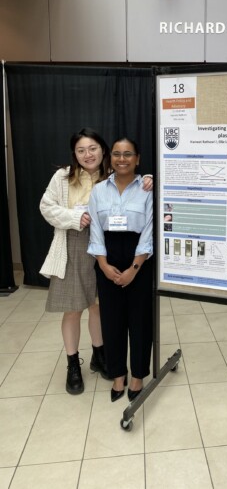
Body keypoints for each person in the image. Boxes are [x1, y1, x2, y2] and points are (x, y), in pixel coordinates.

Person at [39, 128, 152, 395]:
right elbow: (46, 207)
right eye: (81, 150)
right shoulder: (63, 176)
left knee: (100, 308)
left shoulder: (112, 173)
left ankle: (100, 355)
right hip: (75, 244)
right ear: (74, 154)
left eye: (92, 149)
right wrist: (73, 217)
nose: (87, 154)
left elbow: (136, 183)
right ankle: (73, 364)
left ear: (103, 151)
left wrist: (149, 179)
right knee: (73, 308)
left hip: (110, 247)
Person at [88, 137, 153, 402]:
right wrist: (103, 265)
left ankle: (137, 375)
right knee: (112, 321)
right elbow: (95, 230)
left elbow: (149, 231)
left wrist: (134, 268)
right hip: (108, 258)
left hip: (140, 259)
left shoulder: (147, 189)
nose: (122, 159)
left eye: (128, 154)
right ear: (110, 158)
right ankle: (118, 374)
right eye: (116, 154)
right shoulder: (99, 190)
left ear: (137, 158)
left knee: (140, 321)